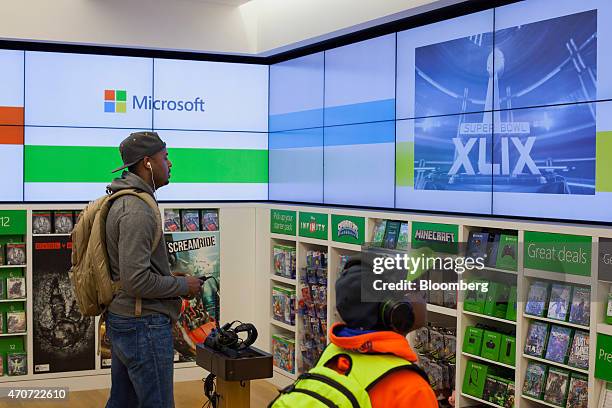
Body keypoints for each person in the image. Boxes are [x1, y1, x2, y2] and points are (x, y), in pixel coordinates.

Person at [104, 131, 202, 408]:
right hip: (142, 324)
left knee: (122, 402)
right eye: (165, 156)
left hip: (128, 318)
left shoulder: (127, 199)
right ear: (148, 162)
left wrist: (170, 278)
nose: (170, 163)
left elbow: (132, 272)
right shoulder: (137, 209)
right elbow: (136, 281)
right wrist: (184, 287)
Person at [270, 257, 438, 407]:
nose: (423, 298)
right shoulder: (412, 387)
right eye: (418, 292)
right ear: (397, 309)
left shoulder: (332, 352)